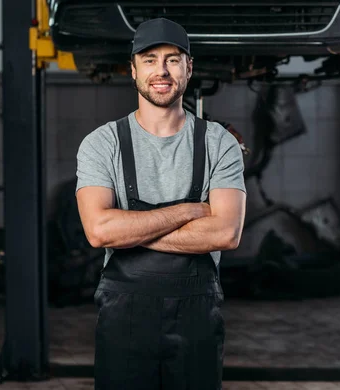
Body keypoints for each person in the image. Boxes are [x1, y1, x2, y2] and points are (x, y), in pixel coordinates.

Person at [75, 18, 247, 390]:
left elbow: (227, 232)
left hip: (197, 319)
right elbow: (99, 230)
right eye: (150, 60)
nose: (162, 71)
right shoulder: (102, 144)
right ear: (133, 69)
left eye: (173, 59)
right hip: (125, 322)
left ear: (189, 68)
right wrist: (190, 211)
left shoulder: (219, 144)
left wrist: (130, 229)